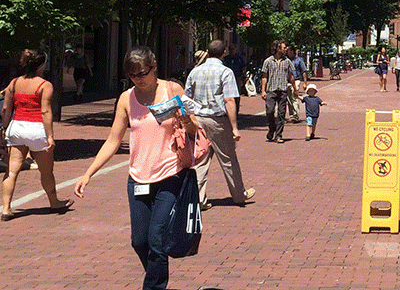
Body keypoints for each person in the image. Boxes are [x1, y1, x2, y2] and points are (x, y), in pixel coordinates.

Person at [74, 46, 197, 290]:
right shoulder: (126, 99)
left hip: (170, 174)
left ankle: (153, 286)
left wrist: (185, 120)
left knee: (157, 238)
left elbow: (193, 130)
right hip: (138, 178)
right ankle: (156, 270)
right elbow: (113, 139)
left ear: (154, 67)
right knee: (140, 241)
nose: (138, 79)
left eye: (143, 73)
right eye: (133, 75)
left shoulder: (173, 90)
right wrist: (88, 173)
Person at [184, 39, 255, 211]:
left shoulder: (195, 72)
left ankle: (198, 198)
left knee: (200, 159)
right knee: (228, 158)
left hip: (198, 119)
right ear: (223, 53)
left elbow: (186, 98)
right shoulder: (226, 72)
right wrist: (235, 127)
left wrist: (190, 118)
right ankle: (239, 194)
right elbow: (229, 100)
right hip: (218, 120)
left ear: (207, 53)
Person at [2, 49, 73, 221]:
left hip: (17, 126)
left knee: (11, 171)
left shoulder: (14, 83)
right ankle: (54, 202)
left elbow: (6, 109)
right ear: (41, 65)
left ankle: (6, 208)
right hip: (36, 129)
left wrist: (5, 128)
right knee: (46, 170)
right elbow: (45, 111)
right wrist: (50, 136)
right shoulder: (45, 85)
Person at [259, 41, 295, 143]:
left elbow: (291, 75)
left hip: (283, 90)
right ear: (277, 48)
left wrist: (295, 89)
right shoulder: (268, 61)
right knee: (269, 111)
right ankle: (272, 128)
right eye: (284, 47)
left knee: (281, 113)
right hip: (271, 90)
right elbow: (264, 76)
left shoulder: (287, 61)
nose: (286, 49)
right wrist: (263, 90)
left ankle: (278, 135)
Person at [222, 44, 246, 115]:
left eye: (233, 49)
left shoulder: (239, 59)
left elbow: (243, 67)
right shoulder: (226, 59)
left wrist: (243, 76)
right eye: (230, 49)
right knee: (227, 95)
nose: (231, 51)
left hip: (237, 77)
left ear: (236, 50)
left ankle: (236, 112)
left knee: (236, 95)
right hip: (227, 78)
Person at [285, 46, 305, 124]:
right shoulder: (286, 60)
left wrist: (305, 83)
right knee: (289, 99)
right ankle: (291, 115)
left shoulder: (299, 60)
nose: (287, 52)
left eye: (288, 51)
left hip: (296, 80)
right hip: (287, 81)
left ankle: (296, 115)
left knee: (294, 97)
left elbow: (304, 71)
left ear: (292, 51)